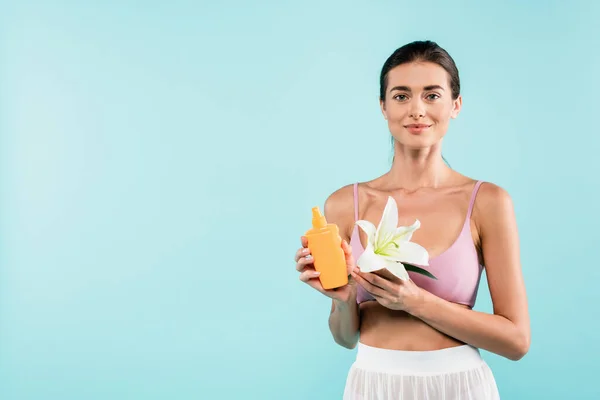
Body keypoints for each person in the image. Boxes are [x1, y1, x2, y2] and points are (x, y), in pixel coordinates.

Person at [294, 40, 530, 399]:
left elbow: (516, 341)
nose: (417, 110)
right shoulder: (345, 204)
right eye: (402, 96)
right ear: (383, 107)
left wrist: (415, 301)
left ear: (456, 105)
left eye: (432, 95)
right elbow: (346, 338)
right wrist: (343, 299)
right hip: (373, 384)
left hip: (460, 386)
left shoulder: (487, 202)